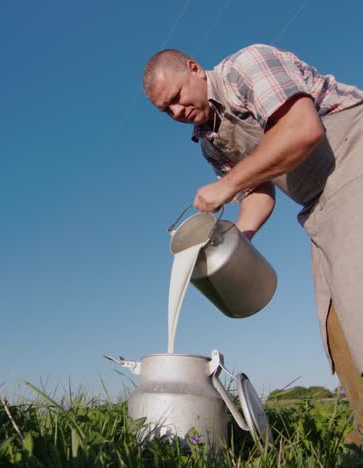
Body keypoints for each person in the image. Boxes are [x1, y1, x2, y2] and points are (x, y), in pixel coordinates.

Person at [142, 44, 363, 447]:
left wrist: (225, 186)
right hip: (318, 205)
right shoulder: (211, 141)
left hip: (354, 159)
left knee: (359, 299)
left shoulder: (246, 67)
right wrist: (238, 242)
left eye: (175, 97)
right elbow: (258, 191)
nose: (175, 112)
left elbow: (301, 130)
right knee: (336, 323)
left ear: (193, 68)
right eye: (165, 110)